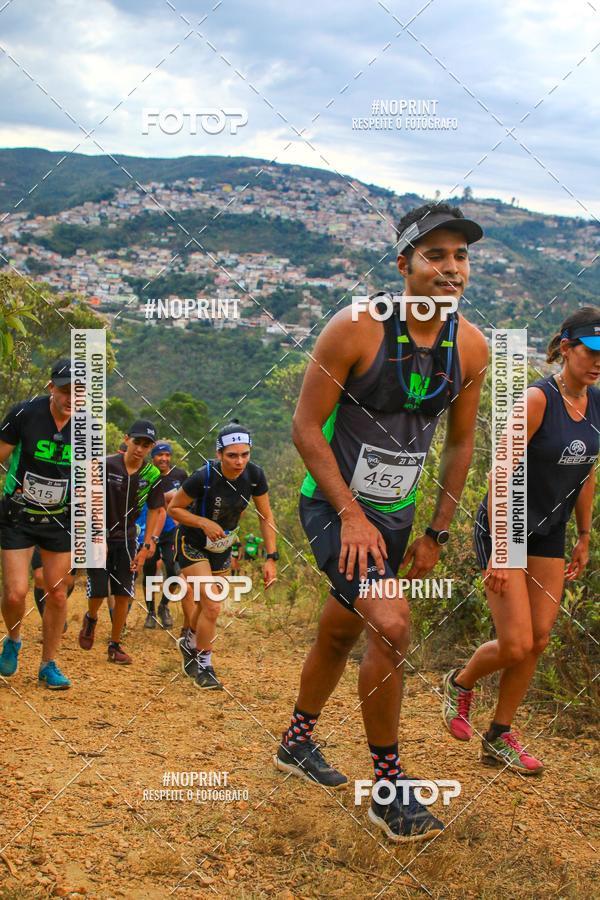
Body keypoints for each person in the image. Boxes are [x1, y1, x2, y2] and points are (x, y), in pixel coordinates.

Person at [274, 203, 489, 842]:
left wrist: (438, 531)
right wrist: (350, 516)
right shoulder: (355, 330)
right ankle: (388, 786)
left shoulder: (470, 346)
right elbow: (305, 429)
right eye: (436, 255)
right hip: (332, 504)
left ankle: (295, 743)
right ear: (404, 265)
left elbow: (458, 445)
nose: (451, 268)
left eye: (461, 256)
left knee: (341, 632)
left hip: (394, 521)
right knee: (391, 624)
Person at [442, 308, 600, 774]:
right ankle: (460, 683)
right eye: (590, 352)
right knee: (514, 644)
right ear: (566, 348)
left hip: (550, 532)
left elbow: (586, 473)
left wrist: (585, 534)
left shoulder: (598, 405)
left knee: (539, 640)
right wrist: (502, 552)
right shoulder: (537, 400)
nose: (597, 363)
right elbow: (501, 473)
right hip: (506, 527)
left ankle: (499, 735)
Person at [169, 421, 278, 689]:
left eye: (244, 454)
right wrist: (203, 522)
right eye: (232, 455)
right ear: (219, 454)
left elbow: (266, 516)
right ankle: (205, 665)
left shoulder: (255, 476)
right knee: (214, 604)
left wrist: (271, 557)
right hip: (192, 543)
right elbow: (174, 509)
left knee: (206, 606)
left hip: (222, 546)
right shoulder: (202, 477)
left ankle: (190, 642)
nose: (239, 461)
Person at [0, 359, 74, 689]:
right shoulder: (24, 414)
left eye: (80, 391)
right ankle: (13, 639)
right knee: (16, 593)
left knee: (57, 593)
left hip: (60, 519)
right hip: (18, 514)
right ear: (51, 388)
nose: (72, 397)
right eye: (65, 390)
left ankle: (48, 663)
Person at [78, 420, 165, 665]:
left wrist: (147, 545)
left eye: (146, 445)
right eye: (137, 442)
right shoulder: (104, 465)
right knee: (98, 588)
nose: (140, 449)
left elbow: (156, 510)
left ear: (151, 448)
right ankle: (91, 618)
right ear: (126, 439)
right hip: (98, 536)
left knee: (124, 592)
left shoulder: (151, 475)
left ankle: (115, 645)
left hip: (127, 538)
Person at [142, 442, 187, 630]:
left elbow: (189, 498)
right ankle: (150, 611)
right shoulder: (146, 475)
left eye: (167, 455)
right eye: (160, 455)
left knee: (174, 569)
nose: (164, 459)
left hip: (171, 530)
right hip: (149, 528)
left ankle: (163, 606)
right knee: (149, 571)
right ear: (152, 457)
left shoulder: (180, 475)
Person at [31, 546, 74, 632]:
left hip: (70, 535)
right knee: (40, 576)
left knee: (68, 580)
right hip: (39, 534)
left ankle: (55, 609)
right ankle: (50, 620)